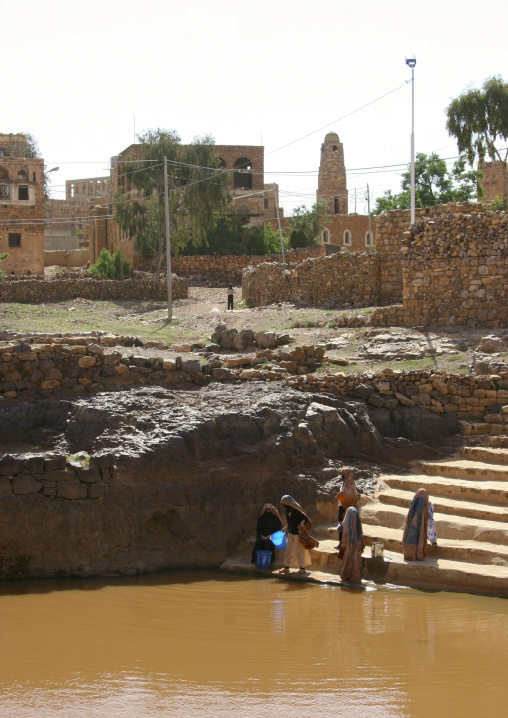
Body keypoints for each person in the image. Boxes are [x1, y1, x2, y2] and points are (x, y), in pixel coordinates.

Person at [279, 495, 312, 575]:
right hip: (290, 532)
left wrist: (301, 523)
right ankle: (286, 567)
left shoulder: (297, 510)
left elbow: (305, 518)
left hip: (298, 534)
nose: (284, 504)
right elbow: (290, 521)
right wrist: (285, 527)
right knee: (288, 550)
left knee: (299, 550)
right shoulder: (287, 510)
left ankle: (302, 568)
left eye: (284, 502)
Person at [338, 506, 365, 583]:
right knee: (356, 560)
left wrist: (338, 526)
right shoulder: (358, 521)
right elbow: (361, 534)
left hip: (349, 544)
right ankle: (355, 577)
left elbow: (341, 529)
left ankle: (346, 576)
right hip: (357, 543)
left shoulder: (346, 520)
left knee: (348, 560)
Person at [402, 488, 429, 561]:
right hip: (420, 524)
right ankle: (418, 555)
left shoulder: (414, 502)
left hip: (412, 524)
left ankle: (409, 554)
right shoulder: (425, 504)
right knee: (419, 536)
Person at [335, 468, 359, 550]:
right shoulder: (344, 483)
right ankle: (340, 543)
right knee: (341, 525)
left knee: (346, 525)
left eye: (343, 475)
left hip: (347, 508)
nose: (342, 476)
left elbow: (351, 496)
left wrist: (342, 495)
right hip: (341, 506)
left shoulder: (349, 484)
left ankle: (345, 544)